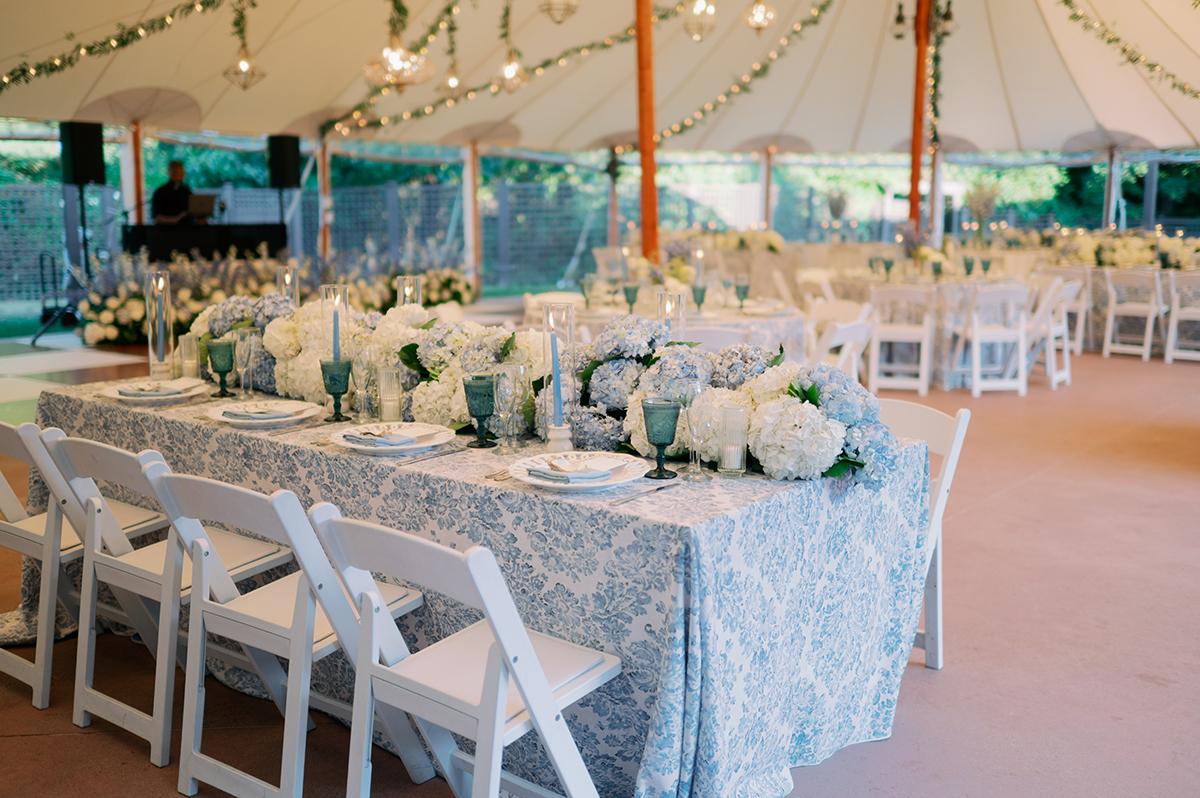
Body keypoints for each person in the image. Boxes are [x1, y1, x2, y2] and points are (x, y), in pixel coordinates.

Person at [151, 160, 193, 224]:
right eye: (176, 172)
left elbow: (192, 211)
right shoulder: (160, 192)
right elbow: (157, 218)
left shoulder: (187, 190)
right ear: (169, 173)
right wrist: (176, 219)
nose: (179, 174)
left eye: (181, 172)